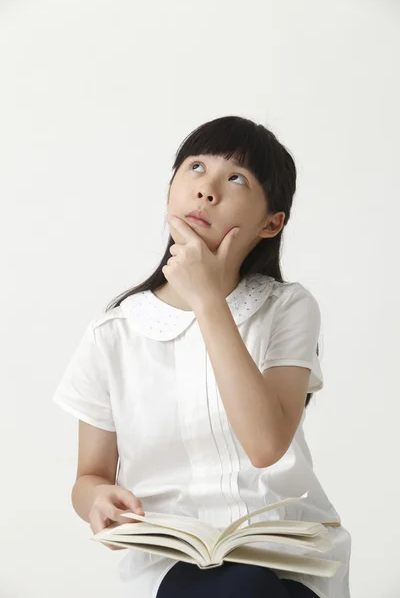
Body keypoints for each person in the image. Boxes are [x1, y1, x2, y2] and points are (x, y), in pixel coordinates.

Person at [52, 115, 352, 598]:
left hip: (281, 554)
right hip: (172, 563)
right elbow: (90, 476)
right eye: (195, 167)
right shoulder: (114, 333)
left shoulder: (287, 308)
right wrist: (95, 499)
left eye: (236, 179)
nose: (207, 189)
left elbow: (265, 444)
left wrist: (208, 299)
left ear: (271, 222)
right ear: (170, 188)